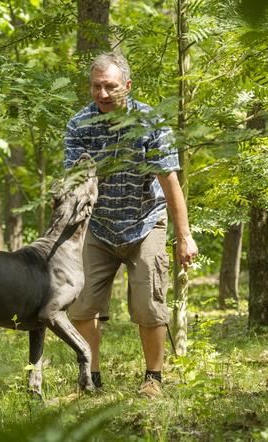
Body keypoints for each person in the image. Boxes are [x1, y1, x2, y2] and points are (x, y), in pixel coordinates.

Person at [64, 52, 198, 398]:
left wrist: (184, 237)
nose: (103, 94)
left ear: (127, 85)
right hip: (97, 225)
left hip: (145, 222)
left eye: (110, 86)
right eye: (96, 86)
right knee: (82, 304)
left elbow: (170, 182)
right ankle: (89, 380)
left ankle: (153, 379)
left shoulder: (150, 123)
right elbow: (74, 183)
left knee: (148, 305)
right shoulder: (79, 125)